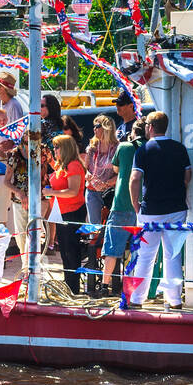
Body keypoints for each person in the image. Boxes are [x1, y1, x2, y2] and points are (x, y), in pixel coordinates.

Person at [128, 111, 192, 310]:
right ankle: (174, 300)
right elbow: (188, 175)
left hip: (151, 209)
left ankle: (137, 298)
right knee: (173, 255)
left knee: (145, 255)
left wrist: (135, 203)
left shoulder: (144, 150)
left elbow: (135, 179)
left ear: (150, 127)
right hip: (176, 208)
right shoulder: (180, 149)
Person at [98, 116, 144, 298]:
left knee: (112, 248)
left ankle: (104, 285)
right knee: (140, 250)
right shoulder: (149, 148)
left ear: (133, 132)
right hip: (143, 206)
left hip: (122, 203)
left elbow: (115, 169)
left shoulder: (124, 147)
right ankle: (134, 288)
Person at [44, 134, 87, 293]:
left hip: (73, 211)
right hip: (63, 211)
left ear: (65, 149)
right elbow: (59, 172)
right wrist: (49, 160)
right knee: (65, 251)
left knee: (71, 251)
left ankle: (73, 289)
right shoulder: (64, 165)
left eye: (57, 147)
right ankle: (69, 286)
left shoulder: (74, 165)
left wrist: (52, 192)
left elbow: (73, 191)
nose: (54, 150)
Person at [84, 116, 118, 228]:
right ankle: (94, 245)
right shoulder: (92, 147)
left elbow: (122, 173)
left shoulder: (117, 148)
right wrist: (89, 176)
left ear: (106, 128)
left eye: (97, 126)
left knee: (112, 225)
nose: (94, 129)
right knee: (94, 227)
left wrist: (106, 183)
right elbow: (86, 169)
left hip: (111, 192)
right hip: (92, 191)